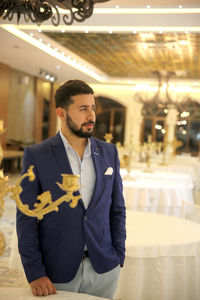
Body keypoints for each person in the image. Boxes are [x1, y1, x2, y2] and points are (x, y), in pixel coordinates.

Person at [16, 79, 126, 299]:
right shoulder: (37, 155)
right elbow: (26, 218)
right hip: (57, 271)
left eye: (92, 108)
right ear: (62, 113)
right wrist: (35, 272)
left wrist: (118, 254)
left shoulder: (108, 153)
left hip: (104, 268)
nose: (91, 116)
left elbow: (117, 209)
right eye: (83, 109)